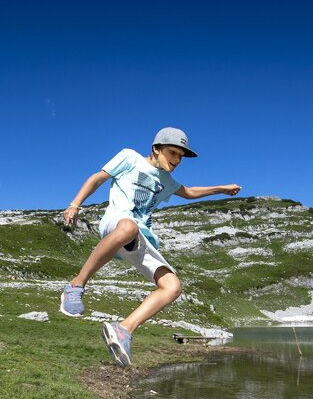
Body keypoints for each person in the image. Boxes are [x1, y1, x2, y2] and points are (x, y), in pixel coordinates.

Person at [60, 127, 240, 367]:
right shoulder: (129, 157)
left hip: (140, 237)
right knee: (128, 227)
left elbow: (188, 192)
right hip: (116, 225)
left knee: (172, 286)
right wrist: (74, 205)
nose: (176, 160)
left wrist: (222, 189)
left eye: (180, 157)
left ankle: (123, 330)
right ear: (156, 148)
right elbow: (97, 178)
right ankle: (75, 286)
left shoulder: (165, 179)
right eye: (172, 152)